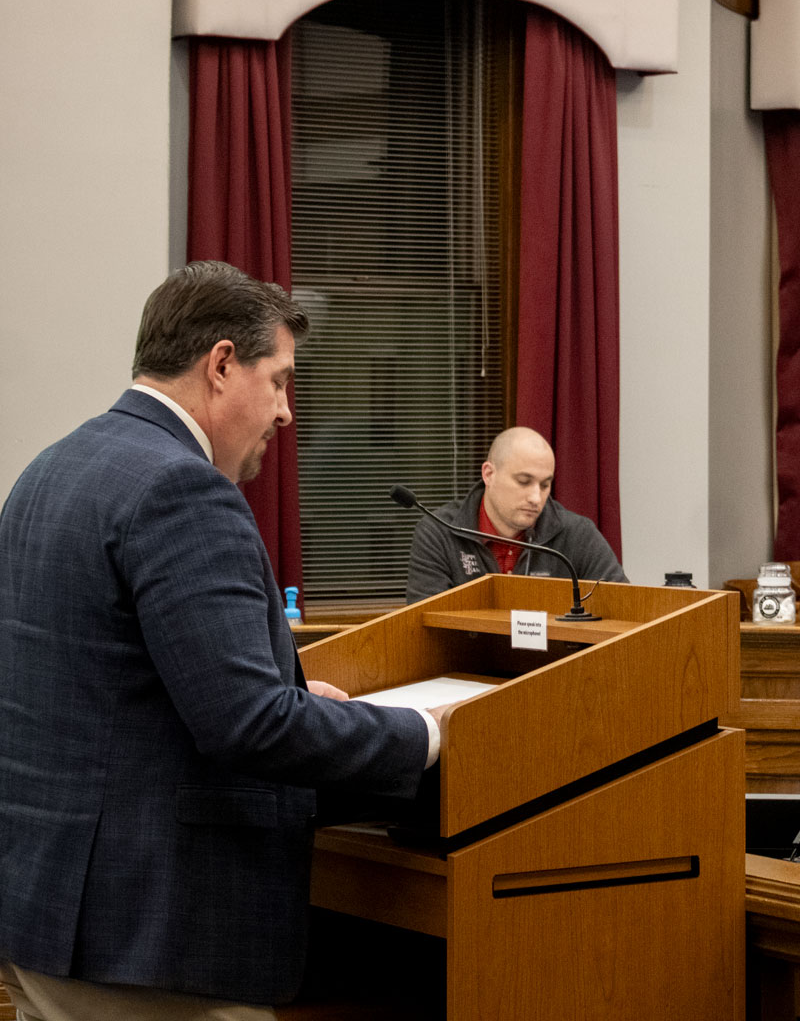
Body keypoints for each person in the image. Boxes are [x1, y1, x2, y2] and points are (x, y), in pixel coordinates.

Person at [0, 262, 447, 1019]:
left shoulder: (54, 467)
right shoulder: (184, 489)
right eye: (278, 382)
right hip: (151, 940)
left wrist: (289, 692)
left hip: (48, 912)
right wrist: (425, 736)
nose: (286, 414)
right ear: (220, 364)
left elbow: (113, 678)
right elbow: (247, 725)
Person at [405, 426, 627, 603]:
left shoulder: (577, 535)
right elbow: (423, 628)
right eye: (524, 482)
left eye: (545, 485)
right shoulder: (439, 532)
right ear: (489, 474)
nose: (535, 497)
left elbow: (622, 609)